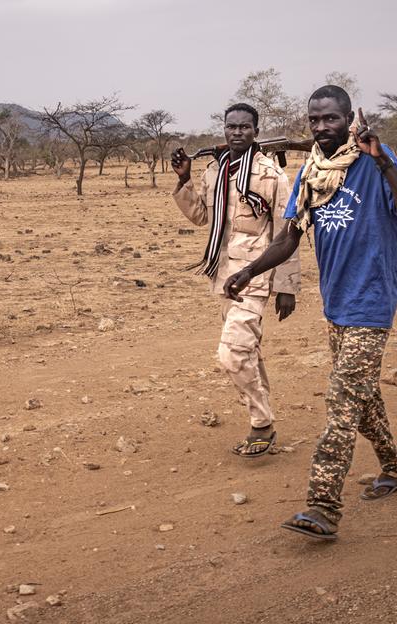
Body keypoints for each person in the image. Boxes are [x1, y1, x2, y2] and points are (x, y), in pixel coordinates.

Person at [223, 85, 397, 541]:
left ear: (349, 119)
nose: (321, 127)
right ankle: (394, 465)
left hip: (372, 302)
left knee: (341, 403)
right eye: (314, 120)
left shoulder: (377, 162)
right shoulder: (313, 172)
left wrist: (382, 161)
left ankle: (322, 505)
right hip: (337, 303)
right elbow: (290, 236)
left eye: (331, 119)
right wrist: (250, 271)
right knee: (363, 396)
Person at [171, 103, 301, 459]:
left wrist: (287, 286)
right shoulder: (216, 170)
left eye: (245, 127)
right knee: (248, 351)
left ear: (256, 132)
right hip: (222, 273)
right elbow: (201, 217)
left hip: (255, 276)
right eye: (232, 126)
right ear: (224, 129)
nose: (237, 132)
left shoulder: (272, 175)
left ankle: (262, 423)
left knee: (232, 353)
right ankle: (264, 418)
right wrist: (184, 180)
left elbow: (288, 233)